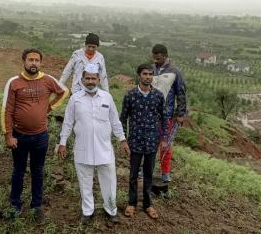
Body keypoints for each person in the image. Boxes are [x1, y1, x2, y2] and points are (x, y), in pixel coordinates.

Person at [2, 48, 68, 223]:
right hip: (19, 136)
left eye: (37, 60)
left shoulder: (47, 80)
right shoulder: (14, 82)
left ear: (40, 62)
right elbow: (6, 111)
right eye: (30, 60)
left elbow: (63, 92)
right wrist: (8, 135)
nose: (34, 63)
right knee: (18, 171)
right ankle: (15, 205)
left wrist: (50, 107)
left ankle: (36, 206)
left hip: (40, 136)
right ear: (24, 61)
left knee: (38, 171)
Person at [58, 64, 130, 224]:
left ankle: (111, 210)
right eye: (87, 78)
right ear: (82, 79)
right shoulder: (75, 99)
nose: (90, 81)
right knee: (85, 182)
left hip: (104, 150)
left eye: (93, 78)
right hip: (83, 149)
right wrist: (62, 142)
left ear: (98, 80)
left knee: (110, 182)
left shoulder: (107, 97)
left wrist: (122, 139)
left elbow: (115, 121)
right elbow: (68, 123)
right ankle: (87, 212)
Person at [120, 64, 167, 219]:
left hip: (152, 142)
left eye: (150, 74)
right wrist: (124, 140)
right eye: (145, 74)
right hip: (135, 142)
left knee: (148, 174)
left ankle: (148, 204)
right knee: (133, 175)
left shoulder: (159, 96)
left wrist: (164, 138)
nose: (148, 76)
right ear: (139, 75)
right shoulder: (130, 95)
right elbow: (123, 119)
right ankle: (132, 203)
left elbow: (164, 118)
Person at [151, 44, 187, 182]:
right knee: (150, 143)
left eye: (158, 58)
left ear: (165, 56)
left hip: (168, 114)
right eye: (154, 58)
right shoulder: (151, 69)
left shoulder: (174, 71)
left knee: (166, 143)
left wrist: (181, 113)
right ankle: (147, 168)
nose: (155, 60)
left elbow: (181, 93)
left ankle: (165, 172)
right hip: (151, 114)